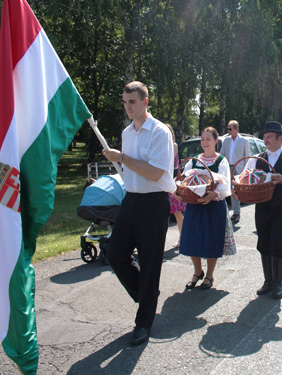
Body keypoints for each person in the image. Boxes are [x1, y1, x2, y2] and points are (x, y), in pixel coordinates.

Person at [102, 81, 175, 346]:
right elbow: (130, 170)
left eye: (132, 101)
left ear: (145, 102)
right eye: (124, 102)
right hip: (131, 199)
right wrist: (122, 160)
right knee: (115, 254)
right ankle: (147, 296)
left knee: (150, 260)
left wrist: (121, 157)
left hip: (154, 203)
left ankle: (143, 322)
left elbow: (155, 173)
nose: (127, 107)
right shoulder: (127, 132)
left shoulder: (159, 132)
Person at [235, 121, 282, 299]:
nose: (266, 140)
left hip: (281, 206)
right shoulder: (257, 158)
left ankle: (278, 283)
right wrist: (237, 188)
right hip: (262, 206)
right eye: (264, 137)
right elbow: (244, 177)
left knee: (277, 243)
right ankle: (268, 281)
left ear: (280, 138)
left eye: (269, 137)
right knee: (263, 243)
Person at [175, 127, 233, 290]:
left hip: (213, 206)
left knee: (211, 239)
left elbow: (225, 184)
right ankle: (197, 271)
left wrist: (213, 195)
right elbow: (184, 180)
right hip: (194, 205)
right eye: (203, 139)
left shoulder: (221, 160)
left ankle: (209, 274)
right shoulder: (193, 161)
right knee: (191, 237)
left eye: (208, 139)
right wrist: (178, 190)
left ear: (216, 141)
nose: (205, 142)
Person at [219, 120, 250, 223]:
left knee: (235, 190)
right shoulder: (226, 141)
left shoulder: (244, 141)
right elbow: (222, 154)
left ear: (236, 129)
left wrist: (245, 172)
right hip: (228, 168)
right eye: (227, 128)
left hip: (239, 169)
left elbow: (247, 157)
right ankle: (225, 212)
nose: (228, 131)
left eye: (230, 129)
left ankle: (236, 213)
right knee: (224, 189)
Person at [166, 124, 186, 248]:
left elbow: (168, 159)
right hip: (165, 181)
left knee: (177, 213)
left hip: (172, 181)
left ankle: (182, 238)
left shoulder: (173, 145)